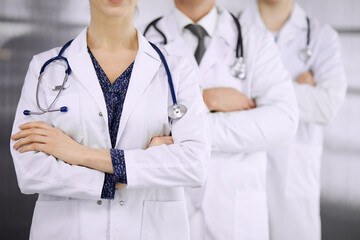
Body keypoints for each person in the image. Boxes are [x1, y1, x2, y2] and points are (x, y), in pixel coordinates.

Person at [10, 0, 210, 239]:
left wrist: (77, 154)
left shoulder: (177, 70)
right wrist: (122, 176)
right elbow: (30, 170)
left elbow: (194, 164)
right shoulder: (45, 67)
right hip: (67, 229)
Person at [143, 0, 298, 239]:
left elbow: (283, 122)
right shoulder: (143, 42)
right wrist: (205, 99)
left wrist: (179, 134)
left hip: (237, 219)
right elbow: (133, 122)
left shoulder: (254, 40)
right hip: (168, 215)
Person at [241, 1, 347, 240]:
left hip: (294, 178)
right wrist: (296, 89)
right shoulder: (231, 29)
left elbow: (326, 106)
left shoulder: (321, 36)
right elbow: (218, 99)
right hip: (239, 173)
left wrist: (254, 92)